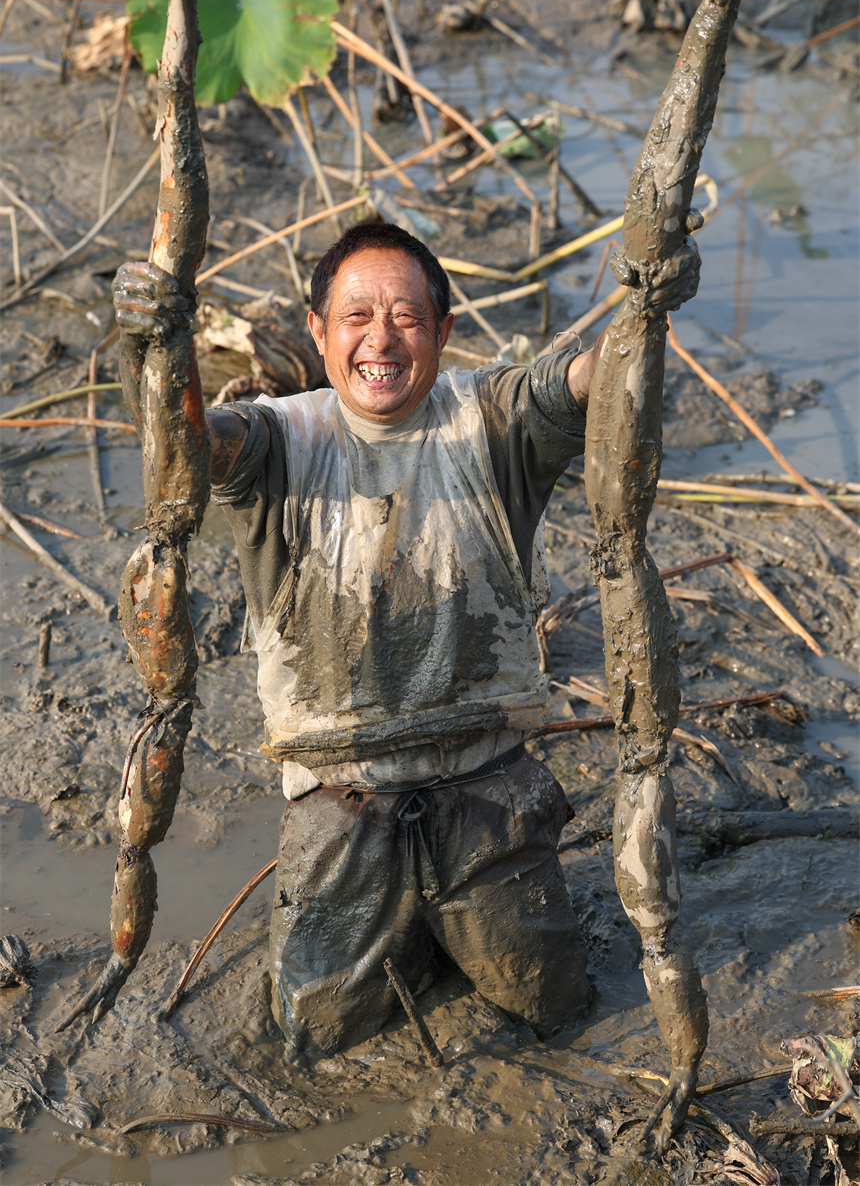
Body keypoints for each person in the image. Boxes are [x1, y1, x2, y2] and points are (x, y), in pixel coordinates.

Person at [114, 221, 699, 1062]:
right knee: (314, 1040)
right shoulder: (277, 439)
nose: (380, 340)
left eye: (406, 317)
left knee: (559, 1010)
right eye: (356, 316)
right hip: (339, 809)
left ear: (444, 332)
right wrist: (154, 347)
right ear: (318, 333)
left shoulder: (494, 421)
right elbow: (186, 448)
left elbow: (587, 381)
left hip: (489, 798)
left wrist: (645, 308)